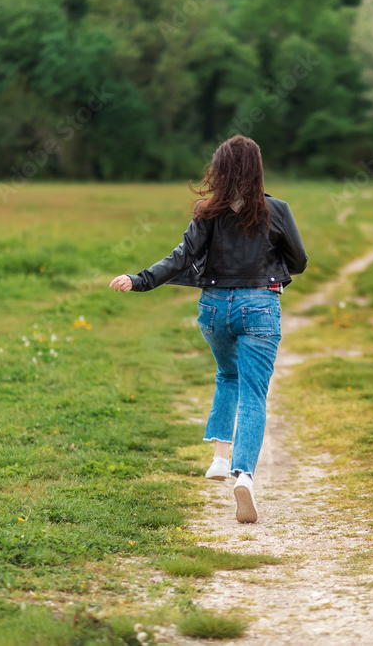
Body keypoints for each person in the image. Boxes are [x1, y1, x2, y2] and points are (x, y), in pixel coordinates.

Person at [109, 135, 307, 523]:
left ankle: (219, 457)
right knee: (252, 392)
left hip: (215, 309)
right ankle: (244, 476)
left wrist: (141, 279)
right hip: (259, 307)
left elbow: (181, 257)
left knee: (226, 373)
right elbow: (298, 262)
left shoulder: (207, 212)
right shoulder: (276, 210)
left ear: (218, 169)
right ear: (257, 169)